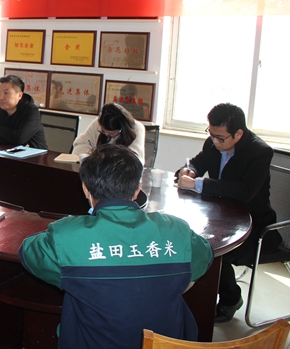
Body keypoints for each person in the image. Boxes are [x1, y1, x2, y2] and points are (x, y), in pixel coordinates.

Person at [20, 144, 213, 348]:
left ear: (85, 188)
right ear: (137, 189)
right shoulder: (176, 230)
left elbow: (29, 252)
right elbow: (204, 257)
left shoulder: (66, 235)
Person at [176, 103, 280, 323]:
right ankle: (191, 298)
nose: (214, 141)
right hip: (220, 216)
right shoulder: (213, 142)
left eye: (220, 138)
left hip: (253, 225)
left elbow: (245, 191)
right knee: (190, 240)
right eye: (211, 134)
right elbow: (197, 162)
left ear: (238, 134)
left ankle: (231, 299)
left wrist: (198, 184)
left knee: (212, 251)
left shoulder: (259, 152)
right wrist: (189, 170)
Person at [0, 75, 47, 149]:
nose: (1, 97)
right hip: (6, 151)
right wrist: (9, 134)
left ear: (19, 95)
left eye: (6, 93)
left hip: (35, 154)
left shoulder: (31, 111)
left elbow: (19, 139)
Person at [72, 102, 145, 164]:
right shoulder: (99, 123)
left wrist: (102, 157)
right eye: (103, 132)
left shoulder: (137, 128)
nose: (107, 135)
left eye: (111, 134)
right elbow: (80, 143)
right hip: (98, 171)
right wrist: (88, 152)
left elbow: (135, 160)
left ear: (121, 128)